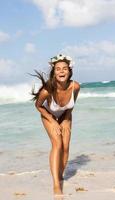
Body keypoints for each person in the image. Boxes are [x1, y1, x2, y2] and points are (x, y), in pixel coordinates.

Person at [31, 54, 80, 195]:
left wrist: (65, 119)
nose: (62, 71)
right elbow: (38, 105)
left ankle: (59, 175)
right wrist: (52, 121)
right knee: (57, 144)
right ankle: (56, 185)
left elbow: (71, 105)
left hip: (65, 115)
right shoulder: (47, 90)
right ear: (54, 72)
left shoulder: (75, 86)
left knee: (66, 147)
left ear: (69, 71)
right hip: (48, 115)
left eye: (65, 68)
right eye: (58, 69)